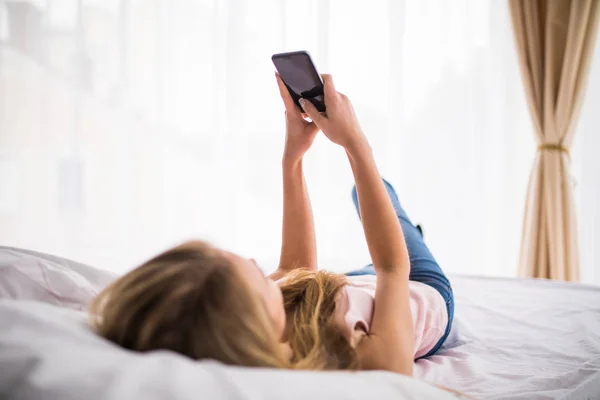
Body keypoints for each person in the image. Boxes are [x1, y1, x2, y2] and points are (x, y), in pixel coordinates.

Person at [89, 72, 453, 375]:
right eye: (257, 277)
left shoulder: (259, 311)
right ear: (253, 325)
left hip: (353, 285)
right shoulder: (361, 357)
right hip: (416, 285)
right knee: (376, 197)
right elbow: (393, 267)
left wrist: (292, 158)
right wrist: (355, 144)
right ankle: (397, 216)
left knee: (365, 200)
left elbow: (296, 269)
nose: (256, 264)